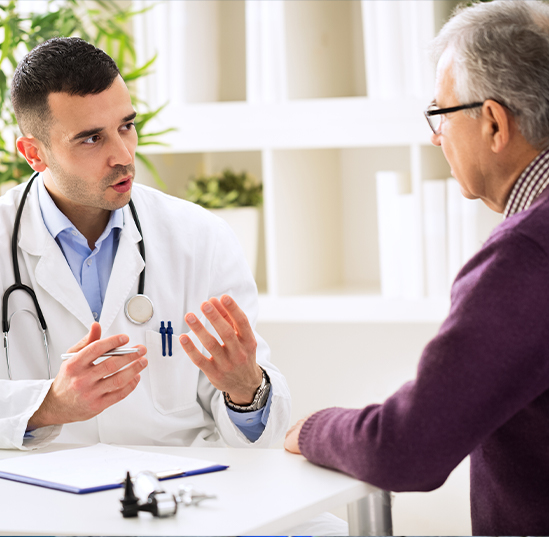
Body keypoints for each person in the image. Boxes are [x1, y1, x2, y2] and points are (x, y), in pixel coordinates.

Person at [285, 1, 549, 535]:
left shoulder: (526, 254)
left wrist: (312, 428)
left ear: (494, 122)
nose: (436, 137)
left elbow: (406, 449)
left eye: (442, 114)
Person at [0, 37, 291, 451]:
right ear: (34, 153)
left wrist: (246, 389)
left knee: (329, 521)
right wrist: (49, 405)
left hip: (182, 487)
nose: (123, 155)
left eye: (126, 126)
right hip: (41, 498)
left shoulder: (199, 236)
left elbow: (258, 431)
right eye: (91, 139)